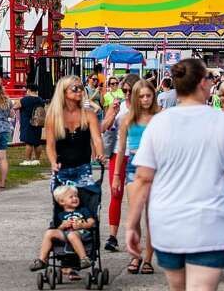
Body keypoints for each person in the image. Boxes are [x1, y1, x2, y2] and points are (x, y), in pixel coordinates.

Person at [127, 58, 224, 291]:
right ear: (203, 84)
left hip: (168, 224)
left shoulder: (159, 124)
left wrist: (132, 225)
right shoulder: (222, 123)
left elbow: (142, 178)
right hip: (211, 222)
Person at [116, 78, 161, 275]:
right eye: (141, 96)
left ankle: (149, 259)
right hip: (134, 167)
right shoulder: (128, 119)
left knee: (152, 217)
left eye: (148, 95)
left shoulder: (161, 117)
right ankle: (135, 255)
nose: (145, 100)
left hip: (156, 169)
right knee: (134, 216)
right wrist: (117, 174)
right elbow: (121, 149)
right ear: (135, 97)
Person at [44, 75, 105, 192]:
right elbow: (50, 145)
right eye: (75, 88)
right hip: (61, 168)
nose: (80, 91)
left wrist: (100, 153)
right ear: (64, 91)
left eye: (81, 87)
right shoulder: (54, 117)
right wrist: (53, 162)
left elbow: (97, 139)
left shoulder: (88, 114)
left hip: (83, 167)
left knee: (85, 207)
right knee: (63, 208)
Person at [101, 73, 138, 252]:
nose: (127, 94)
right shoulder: (120, 106)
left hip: (138, 155)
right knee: (116, 193)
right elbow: (103, 127)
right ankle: (112, 236)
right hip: (118, 153)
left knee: (136, 198)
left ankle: (133, 236)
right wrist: (113, 112)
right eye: (124, 91)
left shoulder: (144, 107)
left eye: (131, 91)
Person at [29, 184, 96, 272]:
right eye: (71, 197)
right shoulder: (60, 215)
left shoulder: (83, 210)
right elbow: (58, 228)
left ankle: (84, 258)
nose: (75, 198)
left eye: (76, 196)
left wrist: (82, 225)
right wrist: (62, 226)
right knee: (49, 232)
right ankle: (42, 260)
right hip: (65, 234)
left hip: (81, 233)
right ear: (62, 202)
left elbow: (92, 222)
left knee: (72, 235)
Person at [18, 84, 46, 166]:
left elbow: (15, 106)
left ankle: (27, 160)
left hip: (28, 123)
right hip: (38, 123)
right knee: (37, 142)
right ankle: (37, 160)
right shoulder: (40, 100)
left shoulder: (25, 100)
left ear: (29, 90)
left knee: (29, 142)